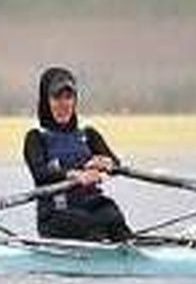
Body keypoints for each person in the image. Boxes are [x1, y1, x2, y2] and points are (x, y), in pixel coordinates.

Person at [22, 66, 133, 242]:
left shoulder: (87, 134)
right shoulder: (36, 138)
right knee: (92, 227)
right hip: (56, 215)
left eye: (68, 97)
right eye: (56, 97)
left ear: (75, 100)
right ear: (46, 101)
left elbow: (116, 164)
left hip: (90, 205)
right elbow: (40, 174)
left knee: (114, 218)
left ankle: (129, 251)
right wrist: (75, 175)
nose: (64, 104)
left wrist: (107, 164)